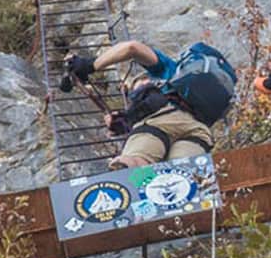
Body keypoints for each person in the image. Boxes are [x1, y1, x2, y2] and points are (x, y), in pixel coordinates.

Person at [65, 40, 237, 169]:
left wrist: (91, 65)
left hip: (160, 122)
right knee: (183, 172)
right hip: (199, 132)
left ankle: (126, 167)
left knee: (137, 160)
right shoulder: (197, 91)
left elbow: (132, 48)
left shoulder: (168, 70)